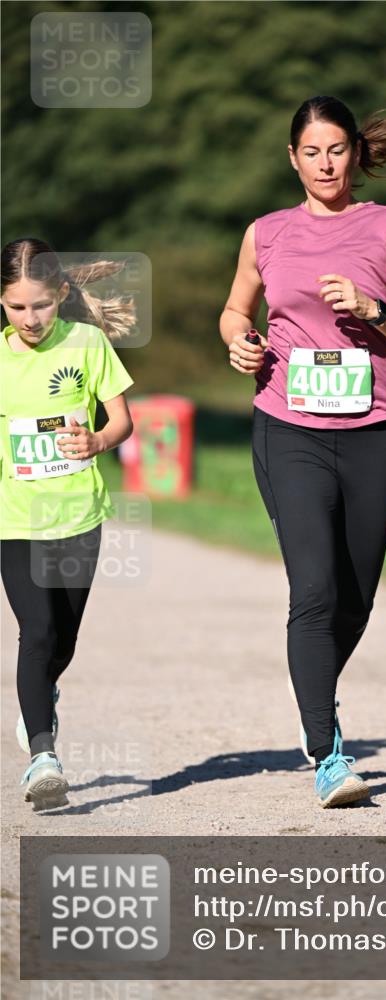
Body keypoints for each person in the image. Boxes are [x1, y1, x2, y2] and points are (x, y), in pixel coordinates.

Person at [219, 95, 386, 807]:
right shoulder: (266, 232)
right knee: (313, 591)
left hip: (375, 431)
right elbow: (236, 309)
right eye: (311, 152)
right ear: (293, 158)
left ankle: (311, 692)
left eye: (336, 150)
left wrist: (374, 311)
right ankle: (327, 752)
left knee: (354, 600)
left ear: (355, 154)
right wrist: (240, 341)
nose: (324, 164)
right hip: (288, 427)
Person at [0, 239, 134, 811]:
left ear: (60, 295)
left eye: (40, 305)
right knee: (37, 631)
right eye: (16, 307)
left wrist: (98, 440)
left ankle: (42, 694)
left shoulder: (87, 343)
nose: (30, 319)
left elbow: (122, 420)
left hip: (79, 515)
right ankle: (43, 757)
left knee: (64, 637)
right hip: (15, 519)